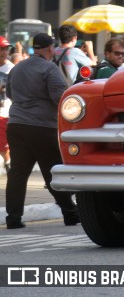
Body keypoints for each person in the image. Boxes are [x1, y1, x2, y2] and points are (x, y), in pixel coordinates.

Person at [5, 33, 79, 229]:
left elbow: (10, 94)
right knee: (52, 171)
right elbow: (60, 99)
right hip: (41, 127)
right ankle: (70, 213)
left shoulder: (17, 67)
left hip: (16, 124)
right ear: (50, 49)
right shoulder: (49, 68)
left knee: (18, 173)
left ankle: (13, 218)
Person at [0, 36, 14, 173]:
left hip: (5, 112)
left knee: (3, 145)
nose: (4, 52)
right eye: (1, 49)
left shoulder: (12, 69)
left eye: (6, 49)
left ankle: (8, 164)